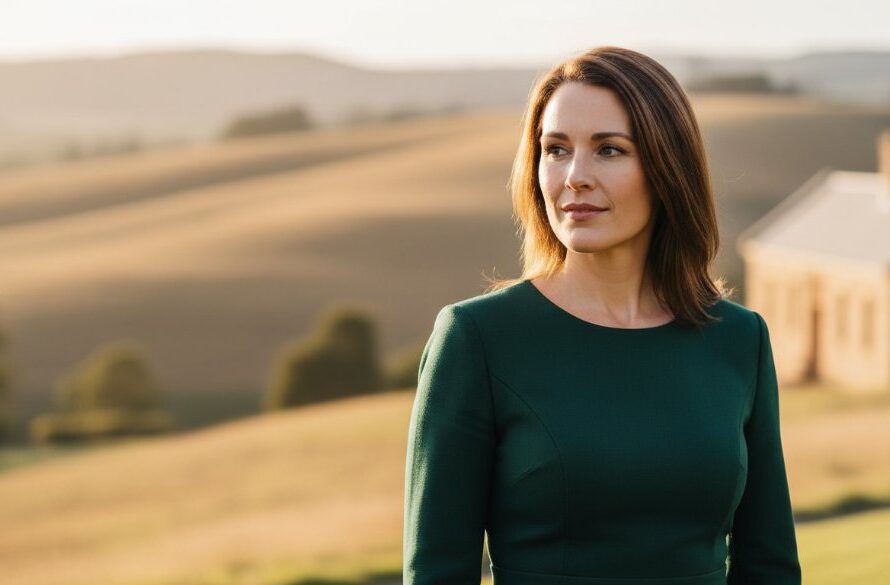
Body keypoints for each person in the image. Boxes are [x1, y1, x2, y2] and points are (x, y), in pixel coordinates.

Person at [403, 46, 801, 585]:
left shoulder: (737, 339)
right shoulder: (478, 339)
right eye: (556, 149)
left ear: (667, 167)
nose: (574, 176)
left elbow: (770, 564)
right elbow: (437, 572)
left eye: (609, 150)